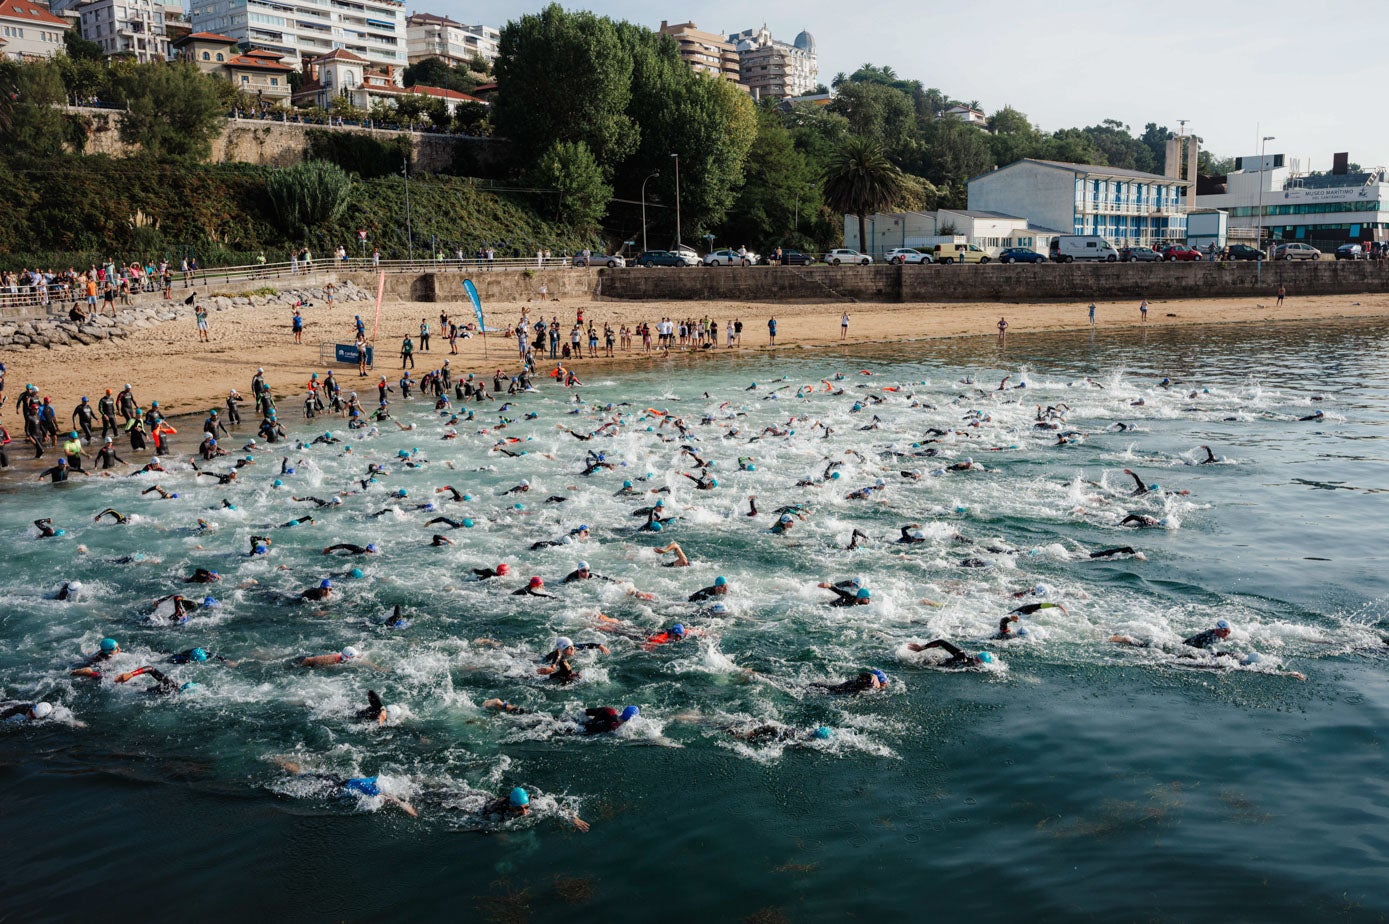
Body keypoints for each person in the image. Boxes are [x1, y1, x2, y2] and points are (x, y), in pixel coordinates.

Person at [272, 759, 418, 817]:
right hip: (332, 786)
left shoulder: (377, 780)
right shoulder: (372, 790)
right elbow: (389, 797)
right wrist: (404, 806)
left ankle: (283, 762)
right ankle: (278, 761)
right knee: (301, 776)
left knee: (305, 773)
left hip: (338, 780)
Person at [906, 640, 994, 669]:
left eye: (978, 661)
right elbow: (941, 642)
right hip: (932, 662)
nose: (975, 661)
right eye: (976, 659)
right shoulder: (962, 656)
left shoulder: (977, 669)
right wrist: (922, 648)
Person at [294, 647, 385, 670]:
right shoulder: (330, 660)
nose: (356, 658)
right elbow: (309, 660)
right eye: (354, 657)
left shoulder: (343, 657)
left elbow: (364, 661)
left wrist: (378, 668)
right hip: (303, 661)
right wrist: (298, 667)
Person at [810, 669, 889, 694]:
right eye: (884, 683)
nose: (884, 686)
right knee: (830, 689)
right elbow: (866, 675)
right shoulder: (871, 681)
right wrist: (872, 676)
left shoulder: (872, 686)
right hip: (848, 686)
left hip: (850, 685)